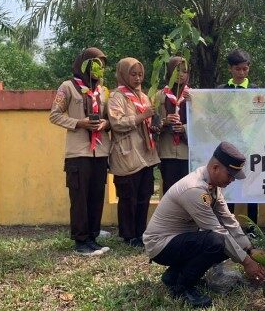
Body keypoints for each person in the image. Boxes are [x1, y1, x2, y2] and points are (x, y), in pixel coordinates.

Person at [143, 142, 265, 308]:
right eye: (230, 175)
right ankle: (183, 288)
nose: (232, 180)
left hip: (178, 241)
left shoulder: (212, 186)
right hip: (161, 245)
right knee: (216, 242)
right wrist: (247, 262)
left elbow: (228, 220)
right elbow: (217, 231)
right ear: (215, 168)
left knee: (223, 244)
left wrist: (249, 249)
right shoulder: (195, 189)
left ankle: (174, 276)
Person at [49, 47, 111, 256]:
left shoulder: (103, 91)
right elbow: (55, 115)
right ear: (84, 65)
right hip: (78, 153)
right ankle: (81, 241)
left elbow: (111, 118)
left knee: (96, 195)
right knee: (80, 197)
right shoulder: (68, 87)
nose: (98, 70)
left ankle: (93, 236)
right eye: (94, 65)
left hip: (100, 151)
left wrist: (105, 123)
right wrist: (79, 123)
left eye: (102, 66)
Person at [108, 58, 161, 247]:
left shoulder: (143, 97)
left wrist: (154, 125)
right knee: (128, 196)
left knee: (144, 195)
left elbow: (146, 121)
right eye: (133, 74)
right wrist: (143, 116)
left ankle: (141, 233)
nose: (138, 78)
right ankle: (128, 235)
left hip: (145, 153)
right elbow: (117, 123)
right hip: (127, 152)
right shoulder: (117, 96)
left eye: (140, 74)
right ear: (123, 74)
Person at [221, 48, 258, 227]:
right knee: (228, 182)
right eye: (238, 69)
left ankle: (253, 226)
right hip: (228, 145)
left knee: (250, 184)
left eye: (245, 69)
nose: (242, 73)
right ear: (230, 69)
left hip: (249, 143)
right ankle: (229, 224)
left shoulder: (256, 91)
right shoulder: (220, 91)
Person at [156, 56, 191, 194]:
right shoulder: (160, 96)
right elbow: (151, 124)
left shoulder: (192, 96)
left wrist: (185, 128)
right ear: (169, 72)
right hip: (167, 151)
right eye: (176, 70)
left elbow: (201, 124)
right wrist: (164, 121)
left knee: (187, 191)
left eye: (184, 71)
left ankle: (186, 217)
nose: (180, 74)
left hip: (187, 152)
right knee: (170, 191)